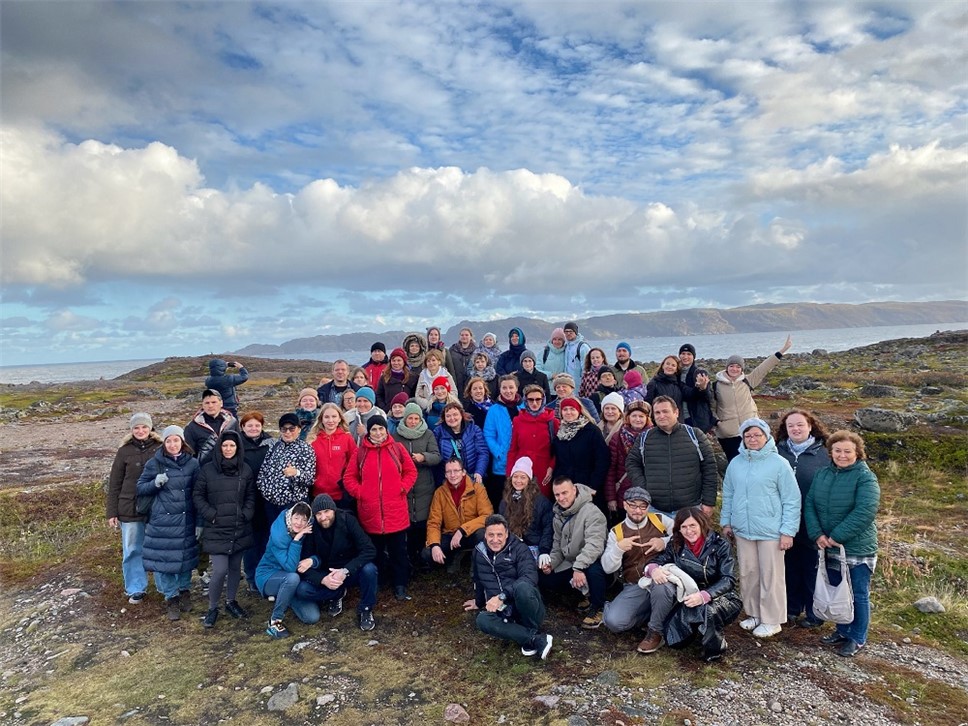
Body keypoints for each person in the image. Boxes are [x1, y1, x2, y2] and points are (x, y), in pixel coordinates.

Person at [720, 418, 801, 638]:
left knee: (771, 576)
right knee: (748, 573)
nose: (752, 439)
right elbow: (728, 494)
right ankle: (754, 614)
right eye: (748, 436)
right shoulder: (736, 463)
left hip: (771, 531)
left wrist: (788, 531)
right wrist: (726, 521)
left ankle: (772, 620)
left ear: (766, 437)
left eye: (757, 435)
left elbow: (792, 499)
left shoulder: (779, 464)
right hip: (743, 530)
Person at [805, 431, 880, 657]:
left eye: (848, 451)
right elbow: (810, 503)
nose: (842, 455)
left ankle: (857, 637)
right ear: (830, 452)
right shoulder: (822, 474)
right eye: (837, 450)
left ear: (858, 453)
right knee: (839, 589)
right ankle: (842, 630)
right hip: (829, 545)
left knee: (857, 593)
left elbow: (865, 511)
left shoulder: (865, 477)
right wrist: (817, 534)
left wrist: (837, 536)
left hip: (856, 547)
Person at [642, 507, 742, 661]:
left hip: (720, 597)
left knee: (709, 611)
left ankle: (715, 650)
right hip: (689, 598)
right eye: (684, 527)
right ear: (679, 529)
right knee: (674, 641)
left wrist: (704, 596)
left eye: (692, 525)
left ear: (702, 524)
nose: (689, 531)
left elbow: (728, 579)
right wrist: (653, 569)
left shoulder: (720, 544)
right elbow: (657, 561)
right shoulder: (676, 544)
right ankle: (700, 628)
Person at [343, 416, 418, 601]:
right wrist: (361, 493)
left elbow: (411, 471)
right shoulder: (360, 452)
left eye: (381, 429)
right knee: (375, 552)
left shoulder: (397, 449)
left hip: (395, 511)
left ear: (386, 430)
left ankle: (400, 584)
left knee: (398, 551)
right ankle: (378, 581)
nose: (378, 433)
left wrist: (402, 488)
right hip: (371, 513)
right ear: (368, 432)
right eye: (374, 429)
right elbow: (349, 478)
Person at [463, 514, 554, 660]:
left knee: (523, 588)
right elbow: (478, 579)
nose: (495, 540)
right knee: (482, 620)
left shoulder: (520, 548)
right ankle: (534, 638)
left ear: (506, 534)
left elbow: (530, 577)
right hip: (503, 611)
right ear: (485, 534)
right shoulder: (479, 552)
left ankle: (527, 630)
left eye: (499, 535)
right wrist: (479, 601)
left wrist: (502, 596)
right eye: (491, 535)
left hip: (526, 606)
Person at [136, 425, 200, 622]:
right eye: (169, 441)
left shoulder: (193, 464)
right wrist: (155, 483)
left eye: (176, 440)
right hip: (162, 522)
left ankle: (184, 591)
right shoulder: (154, 463)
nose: (173, 444)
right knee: (164, 562)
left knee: (185, 559)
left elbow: (198, 494)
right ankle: (171, 598)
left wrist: (200, 522)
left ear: (182, 442)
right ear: (164, 443)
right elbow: (140, 488)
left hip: (186, 520)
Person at [193, 430, 256, 628]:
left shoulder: (245, 470)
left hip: (239, 527)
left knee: (235, 568)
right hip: (217, 528)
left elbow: (251, 495)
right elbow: (198, 495)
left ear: (238, 448)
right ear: (220, 447)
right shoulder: (208, 470)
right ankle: (212, 608)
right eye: (225, 445)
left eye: (232, 445)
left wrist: (246, 514)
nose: (228, 449)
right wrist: (211, 515)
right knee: (220, 570)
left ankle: (231, 601)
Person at [775, 409, 831, 628]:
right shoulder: (777, 451)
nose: (795, 429)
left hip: (813, 521)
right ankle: (791, 608)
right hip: (784, 521)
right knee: (789, 567)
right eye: (791, 425)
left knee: (811, 569)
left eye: (800, 424)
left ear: (810, 426)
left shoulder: (825, 453)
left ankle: (814, 612)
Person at [601, 487, 674, 650]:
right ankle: (651, 615)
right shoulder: (616, 532)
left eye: (643, 506)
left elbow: (682, 535)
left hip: (662, 579)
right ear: (625, 505)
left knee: (661, 588)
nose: (638, 510)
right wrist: (618, 549)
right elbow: (607, 567)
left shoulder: (660, 520)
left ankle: (655, 631)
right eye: (633, 505)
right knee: (614, 622)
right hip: (635, 585)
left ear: (648, 507)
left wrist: (664, 542)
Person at [624, 396, 718, 517]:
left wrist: (708, 502)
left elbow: (710, 468)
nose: (661, 416)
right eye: (657, 412)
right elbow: (632, 463)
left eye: (665, 411)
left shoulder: (695, 435)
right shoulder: (644, 438)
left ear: (676, 412)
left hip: (690, 509)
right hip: (655, 509)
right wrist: (644, 487)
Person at [296, 494, 379, 631]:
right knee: (302, 589)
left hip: (350, 570)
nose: (323, 517)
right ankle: (337, 594)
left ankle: (366, 608)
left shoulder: (348, 520)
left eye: (326, 511)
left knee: (369, 569)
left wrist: (345, 571)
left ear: (334, 510)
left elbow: (369, 550)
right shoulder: (312, 529)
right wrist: (323, 580)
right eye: (319, 514)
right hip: (327, 574)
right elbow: (303, 564)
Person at [107, 412, 162, 605]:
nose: (140, 430)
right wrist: (112, 512)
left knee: (159, 547)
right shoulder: (123, 451)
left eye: (144, 427)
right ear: (131, 430)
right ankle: (136, 588)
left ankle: (165, 586)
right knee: (132, 550)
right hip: (128, 508)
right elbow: (114, 483)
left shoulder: (160, 448)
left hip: (156, 507)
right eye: (136, 428)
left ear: (150, 428)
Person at [539, 477, 608, 629]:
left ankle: (598, 607)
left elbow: (594, 546)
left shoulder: (592, 512)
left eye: (565, 493)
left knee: (594, 570)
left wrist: (579, 568)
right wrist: (551, 563)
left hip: (592, 561)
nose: (561, 498)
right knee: (545, 578)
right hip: (571, 561)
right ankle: (583, 594)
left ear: (574, 490)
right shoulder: (558, 514)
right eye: (557, 495)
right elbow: (557, 545)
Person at [712, 334, 793, 461]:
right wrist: (718, 423)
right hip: (728, 434)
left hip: (750, 431)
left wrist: (782, 350)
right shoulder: (716, 385)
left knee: (757, 461)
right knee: (735, 464)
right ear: (727, 368)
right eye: (731, 366)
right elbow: (710, 406)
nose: (734, 369)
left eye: (738, 366)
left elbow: (764, 368)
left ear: (742, 369)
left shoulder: (748, 381)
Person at [255, 501, 320, 638]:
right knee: (292, 578)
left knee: (312, 617)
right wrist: (297, 539)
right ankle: (275, 621)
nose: (299, 523)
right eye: (296, 518)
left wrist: (313, 561)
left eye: (304, 519)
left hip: (291, 581)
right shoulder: (279, 535)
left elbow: (319, 552)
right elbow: (290, 567)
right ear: (290, 517)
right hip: (269, 576)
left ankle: (284, 596)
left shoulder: (309, 530)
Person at [393, 403, 442, 565]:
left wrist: (423, 457)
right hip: (404, 486)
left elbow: (437, 456)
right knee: (407, 524)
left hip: (424, 486)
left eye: (416, 418)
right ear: (405, 419)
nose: (413, 422)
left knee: (423, 522)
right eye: (410, 418)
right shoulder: (396, 436)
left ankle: (423, 558)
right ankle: (409, 558)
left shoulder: (428, 434)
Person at [423, 458, 493, 570]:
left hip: (472, 533)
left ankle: (478, 563)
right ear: (445, 475)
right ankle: (451, 558)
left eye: (456, 471)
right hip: (450, 534)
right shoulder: (440, 493)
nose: (452, 475)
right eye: (449, 472)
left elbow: (487, 516)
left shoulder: (477, 489)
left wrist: (462, 530)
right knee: (427, 553)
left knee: (483, 535)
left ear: (463, 472)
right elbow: (433, 523)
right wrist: (435, 545)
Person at [257, 412, 317, 525]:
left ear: (299, 429)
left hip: (292, 505)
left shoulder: (306, 449)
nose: (288, 432)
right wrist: (264, 489)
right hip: (271, 503)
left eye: (291, 429)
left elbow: (310, 479)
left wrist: (296, 473)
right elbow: (263, 471)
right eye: (284, 429)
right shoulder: (275, 446)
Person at [552, 398, 609, 512]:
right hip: (566, 489)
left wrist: (593, 486)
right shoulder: (560, 434)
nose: (568, 412)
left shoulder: (592, 431)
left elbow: (603, 460)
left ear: (579, 411)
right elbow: (558, 461)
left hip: (588, 487)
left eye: (572, 409)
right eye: (565, 409)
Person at [239, 411, 274, 594]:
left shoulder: (270, 443)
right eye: (249, 425)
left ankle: (265, 574)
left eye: (257, 425)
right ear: (242, 427)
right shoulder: (237, 444)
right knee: (250, 541)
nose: (254, 428)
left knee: (267, 538)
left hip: (267, 499)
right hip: (247, 499)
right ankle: (252, 576)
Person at [506, 384, 559, 498]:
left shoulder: (552, 422)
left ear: (543, 400)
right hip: (522, 470)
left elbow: (558, 449)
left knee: (542, 501)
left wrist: (551, 467)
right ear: (525, 401)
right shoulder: (518, 420)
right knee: (523, 501)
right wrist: (510, 473)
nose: (534, 403)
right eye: (531, 400)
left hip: (543, 470)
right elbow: (513, 449)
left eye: (538, 399)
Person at [499, 457, 553, 562]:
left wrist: (544, 550)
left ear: (529, 480)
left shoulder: (541, 502)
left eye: (523, 477)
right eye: (515, 476)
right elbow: (501, 525)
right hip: (511, 546)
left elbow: (548, 528)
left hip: (534, 547)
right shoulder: (505, 501)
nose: (518, 481)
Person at [604, 401, 651, 514]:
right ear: (628, 417)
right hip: (624, 493)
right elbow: (611, 469)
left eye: (641, 416)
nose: (637, 419)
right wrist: (611, 498)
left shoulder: (654, 436)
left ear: (647, 418)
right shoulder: (618, 437)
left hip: (649, 492)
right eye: (634, 416)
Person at [307, 403, 359, 508]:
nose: (330, 420)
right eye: (326, 417)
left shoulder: (347, 438)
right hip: (317, 493)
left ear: (340, 419)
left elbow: (354, 464)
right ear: (321, 419)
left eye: (334, 416)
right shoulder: (313, 440)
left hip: (341, 493)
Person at [483, 374, 522, 510]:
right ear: (500, 389)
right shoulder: (494, 410)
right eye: (504, 388)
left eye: (511, 387)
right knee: (501, 500)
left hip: (521, 461)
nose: (508, 391)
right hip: (501, 464)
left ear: (516, 388)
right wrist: (499, 453)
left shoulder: (524, 407)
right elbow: (488, 434)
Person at [433, 402, 489, 486]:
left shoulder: (474, 430)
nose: (452, 418)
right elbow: (436, 455)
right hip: (448, 478)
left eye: (455, 414)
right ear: (444, 418)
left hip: (471, 475)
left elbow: (482, 453)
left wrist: (479, 472)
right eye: (448, 416)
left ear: (462, 415)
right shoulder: (438, 432)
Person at [185, 388, 238, 465]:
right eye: (207, 403)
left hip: (230, 467)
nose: (210, 406)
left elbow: (239, 445)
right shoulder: (192, 427)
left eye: (214, 402)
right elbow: (189, 453)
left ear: (221, 403)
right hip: (205, 469)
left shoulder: (232, 422)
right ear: (202, 405)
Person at [677, 344, 717, 434]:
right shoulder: (676, 373)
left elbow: (709, 397)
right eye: (683, 353)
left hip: (696, 419)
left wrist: (703, 388)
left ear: (693, 357)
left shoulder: (699, 373)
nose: (685, 357)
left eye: (689, 354)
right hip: (680, 418)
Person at [449, 327, 476, 394]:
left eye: (466, 335)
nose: (464, 337)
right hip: (455, 381)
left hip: (470, 381)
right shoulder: (453, 349)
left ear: (471, 337)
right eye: (462, 335)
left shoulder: (476, 351)